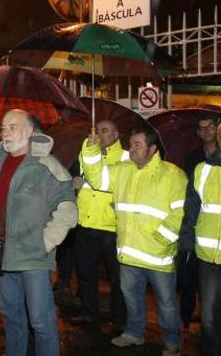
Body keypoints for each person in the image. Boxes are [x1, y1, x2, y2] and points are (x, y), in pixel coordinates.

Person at [0, 109, 78, 356]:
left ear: (31, 131)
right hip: (3, 254)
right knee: (12, 318)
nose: (6, 132)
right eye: (3, 128)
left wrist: (44, 242)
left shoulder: (46, 165)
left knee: (41, 322)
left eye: (13, 126)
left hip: (33, 256)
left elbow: (68, 208)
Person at [81, 128, 186, 356]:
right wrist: (91, 149)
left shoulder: (172, 174)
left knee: (166, 302)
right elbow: (96, 177)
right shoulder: (122, 170)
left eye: (138, 144)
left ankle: (171, 340)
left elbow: (179, 213)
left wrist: (162, 240)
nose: (132, 148)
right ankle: (134, 333)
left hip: (158, 254)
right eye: (131, 144)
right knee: (132, 296)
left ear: (153, 148)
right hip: (129, 252)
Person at [70, 120, 127, 329]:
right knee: (86, 273)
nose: (100, 135)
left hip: (111, 226)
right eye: (96, 130)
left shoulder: (125, 157)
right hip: (86, 222)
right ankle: (89, 312)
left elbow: (107, 182)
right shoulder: (86, 152)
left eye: (105, 131)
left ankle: (118, 319)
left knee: (117, 278)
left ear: (116, 134)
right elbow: (80, 178)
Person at [180, 122, 221, 356]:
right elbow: (191, 213)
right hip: (208, 260)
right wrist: (186, 248)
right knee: (210, 319)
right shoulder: (202, 170)